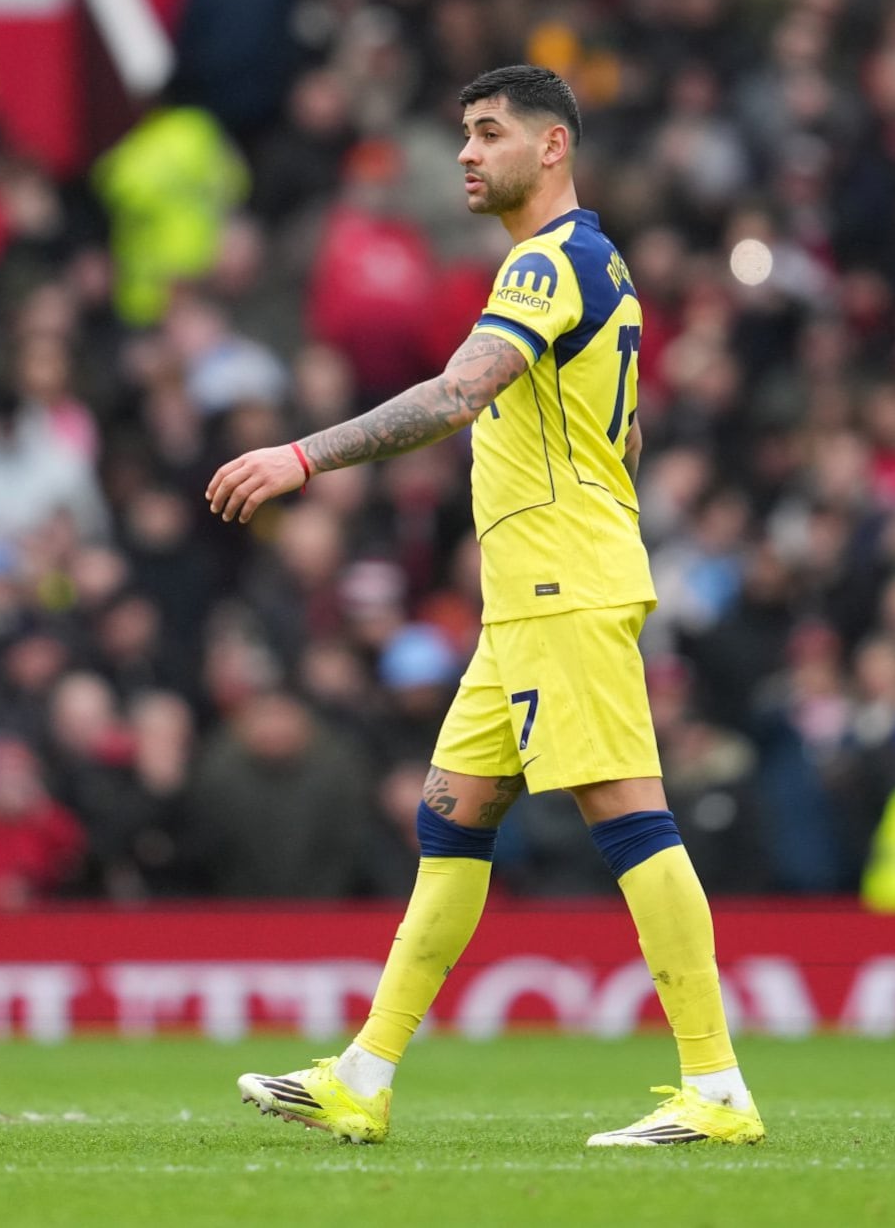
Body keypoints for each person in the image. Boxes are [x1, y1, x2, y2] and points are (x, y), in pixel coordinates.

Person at [209, 66, 762, 1149]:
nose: (465, 152)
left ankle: (716, 1082)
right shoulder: (598, 266)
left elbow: (457, 393)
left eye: (487, 132)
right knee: (450, 818)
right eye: (462, 133)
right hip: (530, 596)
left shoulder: (547, 263)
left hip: (560, 587)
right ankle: (363, 1073)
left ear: (550, 147)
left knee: (627, 812)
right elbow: (628, 439)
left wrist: (300, 454)